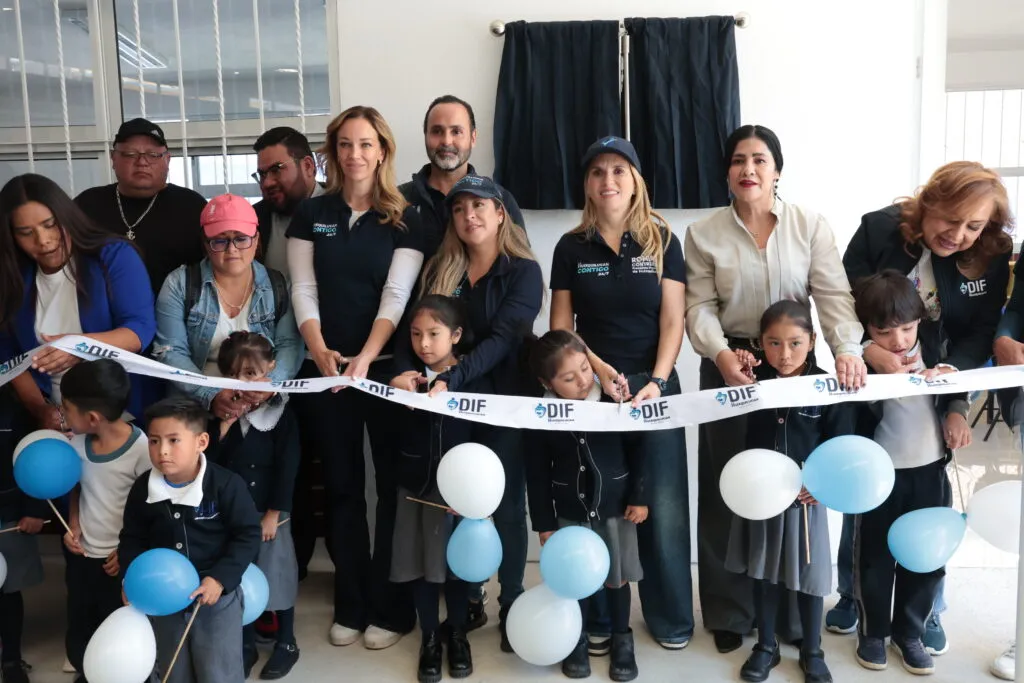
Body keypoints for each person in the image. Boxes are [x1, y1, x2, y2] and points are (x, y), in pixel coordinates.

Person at [685, 124, 866, 653]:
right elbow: (698, 306)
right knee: (729, 489)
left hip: (794, 365)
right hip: (730, 365)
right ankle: (728, 611)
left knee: (797, 489)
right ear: (727, 171)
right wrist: (721, 355)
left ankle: (790, 613)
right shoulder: (703, 234)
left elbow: (833, 295)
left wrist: (847, 351)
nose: (749, 170)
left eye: (760, 160)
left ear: (777, 170)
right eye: (739, 160)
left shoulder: (809, 225)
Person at [834, 160, 1013, 651]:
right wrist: (865, 350)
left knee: (926, 517)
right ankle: (857, 600)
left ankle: (924, 613)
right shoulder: (878, 229)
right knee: (866, 504)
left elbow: (978, 332)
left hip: (933, 388)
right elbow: (840, 298)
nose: (958, 235)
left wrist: (956, 396)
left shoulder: (991, 254)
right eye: (949, 220)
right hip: (870, 388)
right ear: (927, 203)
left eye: (974, 226)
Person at [286, 105, 422, 649]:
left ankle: (390, 610)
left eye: (366, 144)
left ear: (383, 151)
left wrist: (366, 358)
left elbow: (396, 295)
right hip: (326, 374)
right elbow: (303, 288)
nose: (355, 154)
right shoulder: (310, 214)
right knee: (342, 489)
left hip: (385, 374)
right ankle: (352, 602)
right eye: (345, 144)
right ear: (332, 152)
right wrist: (319, 349)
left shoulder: (407, 216)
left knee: (390, 490)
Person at [549, 135, 691, 651]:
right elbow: (561, 330)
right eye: (597, 172)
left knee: (661, 503)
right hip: (593, 387)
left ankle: (672, 618)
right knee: (602, 504)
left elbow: (673, 319)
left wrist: (655, 380)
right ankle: (604, 620)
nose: (608, 181)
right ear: (586, 183)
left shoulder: (662, 239)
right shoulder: (570, 247)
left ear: (635, 181)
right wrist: (600, 370)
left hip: (656, 386)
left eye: (618, 171)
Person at [391, 173, 542, 652]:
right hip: (449, 410)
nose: (469, 215)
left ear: (501, 214)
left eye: (480, 206)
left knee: (508, 509)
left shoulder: (524, 271)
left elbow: (504, 340)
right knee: (458, 505)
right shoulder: (443, 270)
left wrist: (451, 378)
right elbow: (413, 330)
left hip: (505, 404)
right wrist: (401, 371)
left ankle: (512, 603)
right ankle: (466, 602)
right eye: (459, 209)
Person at [725, 301, 856, 683]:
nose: (785, 354)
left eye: (796, 343)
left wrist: (823, 484)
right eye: (774, 343)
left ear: (813, 341)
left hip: (805, 501)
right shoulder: (750, 383)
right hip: (762, 498)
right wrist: (740, 365)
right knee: (764, 571)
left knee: (810, 574)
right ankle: (766, 645)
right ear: (760, 343)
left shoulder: (825, 387)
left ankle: (813, 649)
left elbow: (841, 444)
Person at [849, 271, 971, 676]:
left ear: (920, 319)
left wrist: (957, 408)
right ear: (867, 329)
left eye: (906, 328)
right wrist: (866, 352)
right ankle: (873, 632)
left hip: (930, 470)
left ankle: (911, 632)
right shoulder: (861, 358)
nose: (898, 341)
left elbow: (962, 377)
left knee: (926, 557)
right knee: (874, 558)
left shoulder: (936, 344)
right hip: (879, 476)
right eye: (884, 332)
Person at [525, 330, 647, 682]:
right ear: (546, 383)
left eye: (584, 369)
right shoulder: (540, 413)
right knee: (574, 578)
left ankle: (621, 637)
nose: (582, 380)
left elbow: (640, 447)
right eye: (568, 377)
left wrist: (639, 496)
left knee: (617, 577)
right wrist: (545, 522)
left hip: (616, 508)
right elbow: (535, 472)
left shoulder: (614, 399)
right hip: (569, 513)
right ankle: (577, 638)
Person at [119, 397, 262, 683]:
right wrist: (130, 580)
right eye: (155, 441)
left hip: (214, 598)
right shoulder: (142, 489)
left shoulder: (226, 485)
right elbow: (132, 539)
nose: (163, 451)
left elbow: (247, 535)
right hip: (163, 599)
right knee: (173, 670)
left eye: (174, 440)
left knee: (218, 670)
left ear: (202, 442)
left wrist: (220, 579)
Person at [0, 173, 156, 425]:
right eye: (26, 232)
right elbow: (8, 355)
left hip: (120, 416)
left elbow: (140, 331)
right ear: (12, 238)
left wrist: (80, 347)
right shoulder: (12, 277)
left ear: (66, 216)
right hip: (52, 416)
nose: (43, 240)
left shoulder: (114, 257)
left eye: (50, 224)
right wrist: (41, 410)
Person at [153, 193, 303, 424]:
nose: (232, 250)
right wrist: (210, 394)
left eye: (241, 238)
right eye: (220, 241)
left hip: (261, 413)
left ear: (256, 239)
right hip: (192, 414)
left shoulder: (279, 285)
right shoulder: (180, 284)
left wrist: (270, 384)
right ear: (205, 244)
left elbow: (290, 344)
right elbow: (170, 351)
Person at [390, 295, 478, 683]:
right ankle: (429, 635)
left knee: (456, 570)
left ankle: (457, 633)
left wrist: (475, 494)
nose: (424, 343)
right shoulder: (405, 377)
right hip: (416, 488)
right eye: (415, 334)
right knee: (421, 566)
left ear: (456, 335)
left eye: (434, 334)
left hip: (460, 494)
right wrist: (400, 394)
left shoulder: (474, 377)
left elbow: (484, 440)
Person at [204, 332, 301, 680]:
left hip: (269, 514)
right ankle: (243, 644)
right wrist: (225, 428)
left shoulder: (282, 412)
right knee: (238, 577)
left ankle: (286, 642)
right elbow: (211, 464)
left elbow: (289, 466)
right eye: (236, 375)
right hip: (234, 516)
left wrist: (275, 512)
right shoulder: (221, 415)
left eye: (251, 374)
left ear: (271, 369)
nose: (244, 383)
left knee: (278, 576)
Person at [60, 359, 151, 683]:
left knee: (116, 626)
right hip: (82, 556)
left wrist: (128, 554)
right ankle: (86, 672)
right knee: (80, 623)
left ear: (93, 418)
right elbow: (76, 488)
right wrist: (73, 523)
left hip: (118, 562)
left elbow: (148, 511)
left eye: (66, 409)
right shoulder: (76, 444)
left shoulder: (142, 450)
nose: (62, 414)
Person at [75, 118, 207, 294]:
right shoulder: (87, 204)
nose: (142, 162)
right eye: (130, 154)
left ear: (167, 160)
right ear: (113, 158)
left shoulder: (192, 206)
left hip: (178, 316)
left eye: (153, 155)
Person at [399, 95, 525, 260]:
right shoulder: (398, 200)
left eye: (456, 131)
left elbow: (520, 266)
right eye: (437, 131)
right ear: (425, 136)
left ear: (473, 138)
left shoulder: (500, 200)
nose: (446, 141)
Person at [0, 386, 49, 683]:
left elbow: (35, 460)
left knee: (8, 589)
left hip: (10, 512)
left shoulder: (15, 410)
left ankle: (11, 659)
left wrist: (33, 509)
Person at [252, 127, 325, 277]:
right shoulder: (253, 220)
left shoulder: (343, 209)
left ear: (308, 166)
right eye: (262, 174)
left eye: (276, 169)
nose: (267, 183)